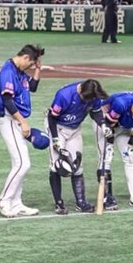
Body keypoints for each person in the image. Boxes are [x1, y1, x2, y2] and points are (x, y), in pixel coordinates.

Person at [46, 79, 109, 215]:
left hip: (75, 129)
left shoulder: (93, 94)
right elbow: (52, 117)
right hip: (57, 128)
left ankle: (81, 202)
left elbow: (96, 112)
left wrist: (103, 125)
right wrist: (56, 140)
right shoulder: (64, 95)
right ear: (80, 91)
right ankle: (59, 203)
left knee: (77, 166)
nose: (87, 101)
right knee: (56, 165)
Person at [0, 44, 44, 218]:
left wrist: (37, 70)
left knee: (21, 164)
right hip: (9, 120)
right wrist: (23, 123)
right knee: (23, 164)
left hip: (15, 121)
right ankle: (4, 201)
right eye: (31, 63)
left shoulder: (19, 72)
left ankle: (16, 204)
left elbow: (33, 87)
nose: (31, 67)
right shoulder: (8, 71)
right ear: (25, 58)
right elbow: (7, 100)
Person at [95, 91, 133, 209]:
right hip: (106, 122)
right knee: (106, 157)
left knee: (130, 157)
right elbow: (109, 126)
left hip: (124, 126)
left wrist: (131, 143)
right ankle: (107, 197)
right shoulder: (120, 104)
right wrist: (110, 144)